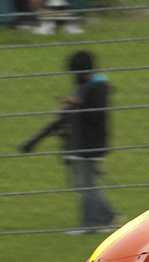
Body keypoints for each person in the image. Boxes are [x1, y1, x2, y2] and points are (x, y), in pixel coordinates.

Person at [19, 50, 119, 235]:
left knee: (86, 185)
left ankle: (97, 222)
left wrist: (77, 105)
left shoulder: (98, 88)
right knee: (82, 185)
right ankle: (101, 219)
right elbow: (64, 118)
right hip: (79, 144)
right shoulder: (84, 85)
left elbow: (96, 117)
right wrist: (35, 140)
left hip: (91, 145)